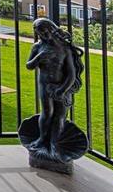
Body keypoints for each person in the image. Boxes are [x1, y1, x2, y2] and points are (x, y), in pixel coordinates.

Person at [25, 18, 84, 158]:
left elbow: (71, 73)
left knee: (60, 115)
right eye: (39, 33)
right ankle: (42, 139)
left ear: (51, 30)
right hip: (45, 86)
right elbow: (29, 66)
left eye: (44, 32)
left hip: (62, 87)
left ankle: (54, 143)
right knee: (47, 112)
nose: (42, 36)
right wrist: (39, 57)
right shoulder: (38, 47)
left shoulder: (64, 48)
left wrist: (62, 89)